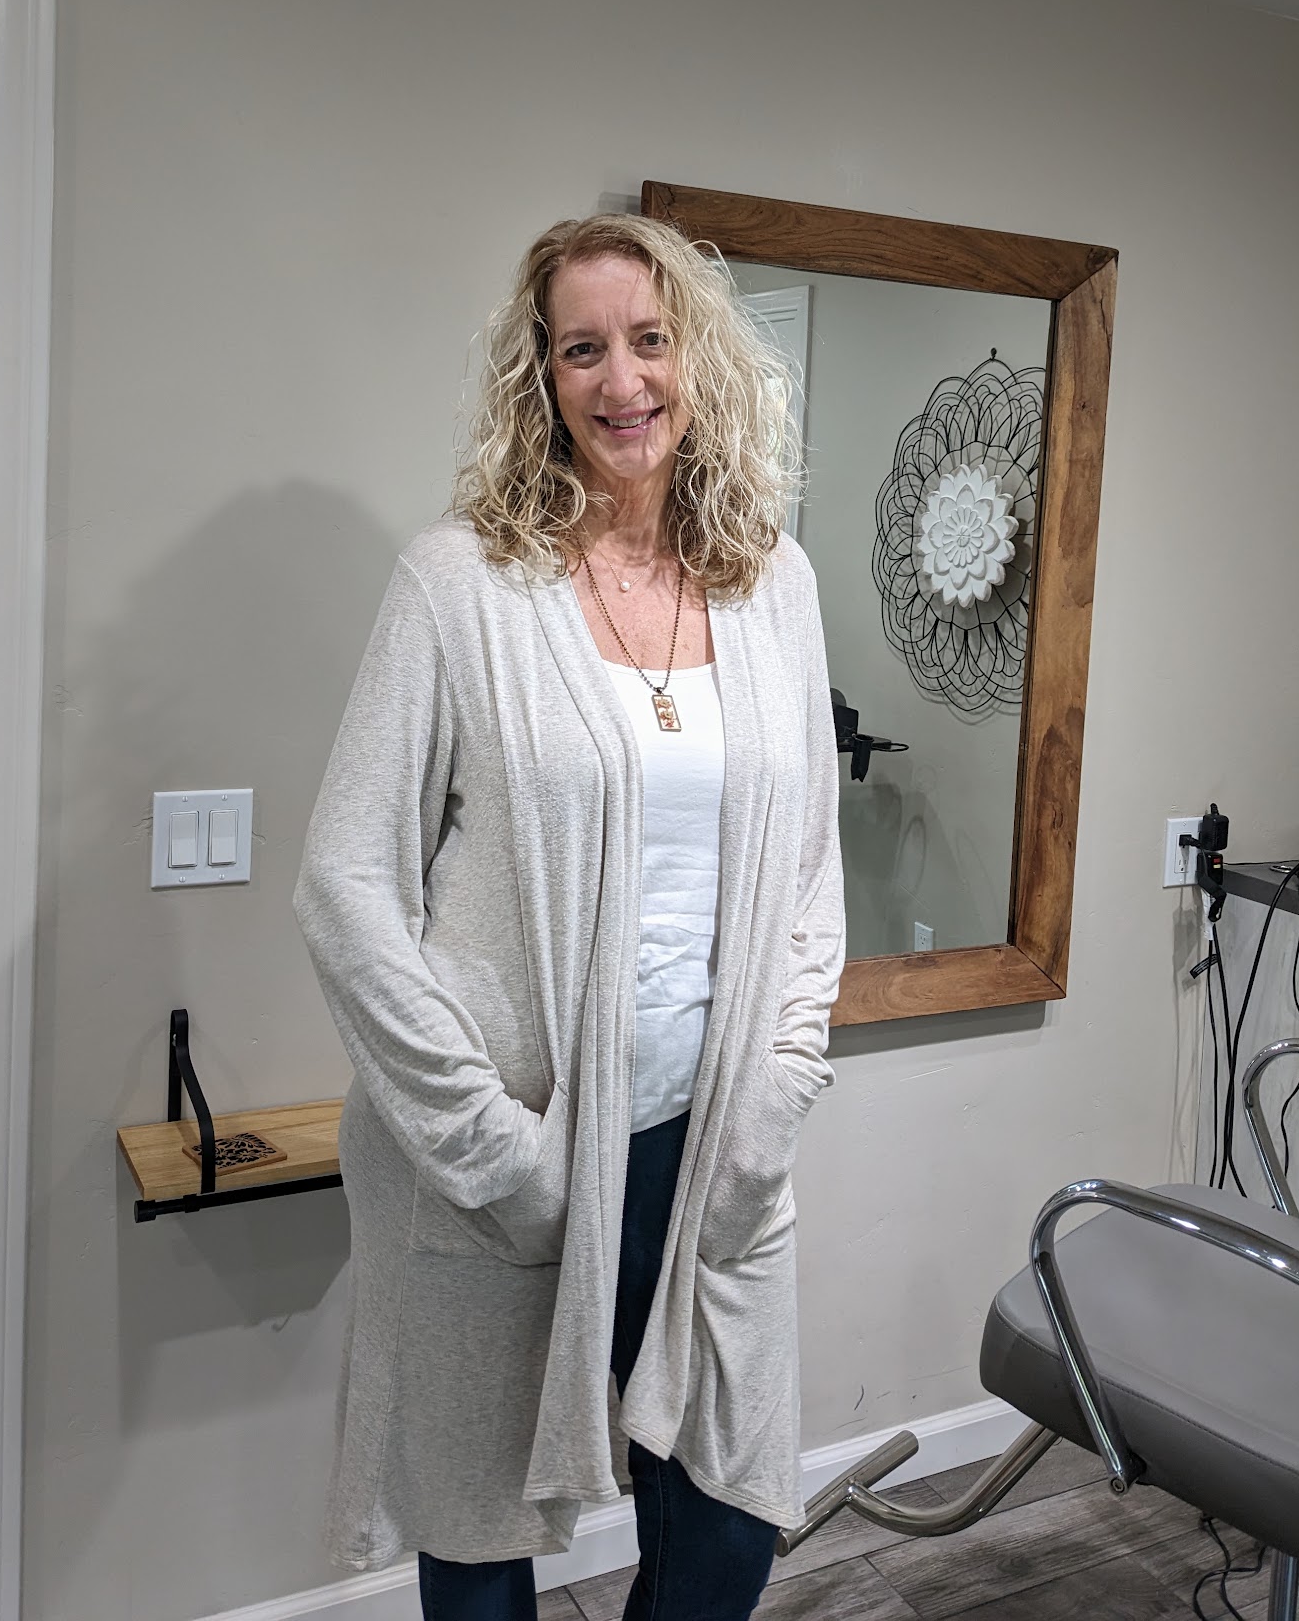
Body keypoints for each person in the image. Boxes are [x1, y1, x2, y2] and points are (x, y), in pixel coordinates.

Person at [294, 213, 846, 1620]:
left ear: (698, 358)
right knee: (480, 1534)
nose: (623, 381)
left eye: (651, 340)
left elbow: (809, 880)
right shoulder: (461, 584)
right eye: (582, 349)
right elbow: (346, 884)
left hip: (710, 1143)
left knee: (724, 1527)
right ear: (540, 376)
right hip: (512, 1152)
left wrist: (778, 1094)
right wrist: (490, 1144)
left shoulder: (775, 585)